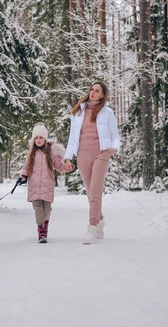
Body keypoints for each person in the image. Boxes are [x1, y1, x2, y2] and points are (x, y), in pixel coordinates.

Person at [63, 82, 120, 244]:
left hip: (101, 154)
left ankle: (92, 227)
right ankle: (99, 218)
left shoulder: (107, 112)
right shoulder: (78, 111)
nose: (93, 92)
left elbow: (115, 135)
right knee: (90, 193)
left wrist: (114, 148)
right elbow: (72, 138)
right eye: (92, 89)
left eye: (97, 91)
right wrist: (68, 157)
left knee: (95, 192)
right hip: (82, 155)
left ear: (102, 95)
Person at [20, 123, 68, 243]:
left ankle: (45, 227)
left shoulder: (51, 153)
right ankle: (41, 231)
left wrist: (66, 167)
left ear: (45, 139)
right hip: (34, 185)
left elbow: (58, 166)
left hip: (47, 185)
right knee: (37, 209)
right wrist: (23, 175)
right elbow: (26, 166)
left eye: (41, 137)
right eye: (36, 138)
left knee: (46, 209)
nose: (39, 140)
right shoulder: (31, 153)